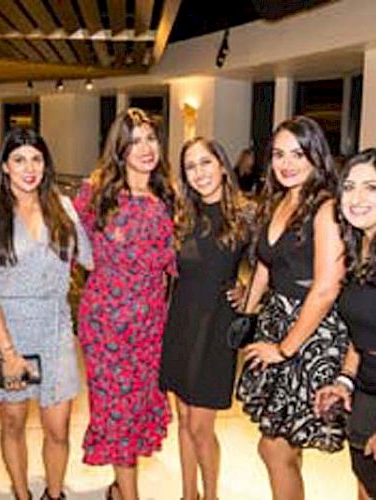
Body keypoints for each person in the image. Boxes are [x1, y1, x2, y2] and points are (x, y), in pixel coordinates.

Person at [0, 127, 93, 500]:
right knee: (12, 423)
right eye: (19, 159)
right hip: (7, 333)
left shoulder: (63, 208)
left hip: (55, 330)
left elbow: (89, 257)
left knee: (58, 428)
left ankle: (54, 495)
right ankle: (22, 494)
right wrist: (8, 353)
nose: (29, 168)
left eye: (36, 159)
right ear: (5, 166)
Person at [236, 115, 349, 500]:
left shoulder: (327, 208)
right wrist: (247, 317)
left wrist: (285, 349)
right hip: (277, 322)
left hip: (310, 336)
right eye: (279, 154)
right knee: (285, 444)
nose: (286, 163)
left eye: (297, 154)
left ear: (317, 156)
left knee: (273, 446)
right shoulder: (280, 200)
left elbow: (326, 288)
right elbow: (265, 266)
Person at [73, 108, 180, 500]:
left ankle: (119, 489)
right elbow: (66, 245)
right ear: (119, 148)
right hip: (106, 326)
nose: (146, 148)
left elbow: (179, 264)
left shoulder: (167, 198)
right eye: (134, 141)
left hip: (151, 325)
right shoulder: (96, 194)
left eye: (151, 138)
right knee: (116, 410)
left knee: (136, 410)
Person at [159, 137, 251, 500]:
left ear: (222, 164)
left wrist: (248, 292)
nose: (200, 173)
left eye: (206, 163)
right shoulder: (182, 215)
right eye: (191, 167)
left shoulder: (246, 214)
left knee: (200, 425)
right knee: (183, 420)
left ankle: (210, 496)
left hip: (216, 326)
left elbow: (271, 265)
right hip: (180, 320)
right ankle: (188, 494)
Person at [315, 149, 376, 499]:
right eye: (350, 186)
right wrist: (344, 380)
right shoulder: (359, 251)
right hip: (365, 391)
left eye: (371, 188)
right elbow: (362, 333)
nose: (357, 198)